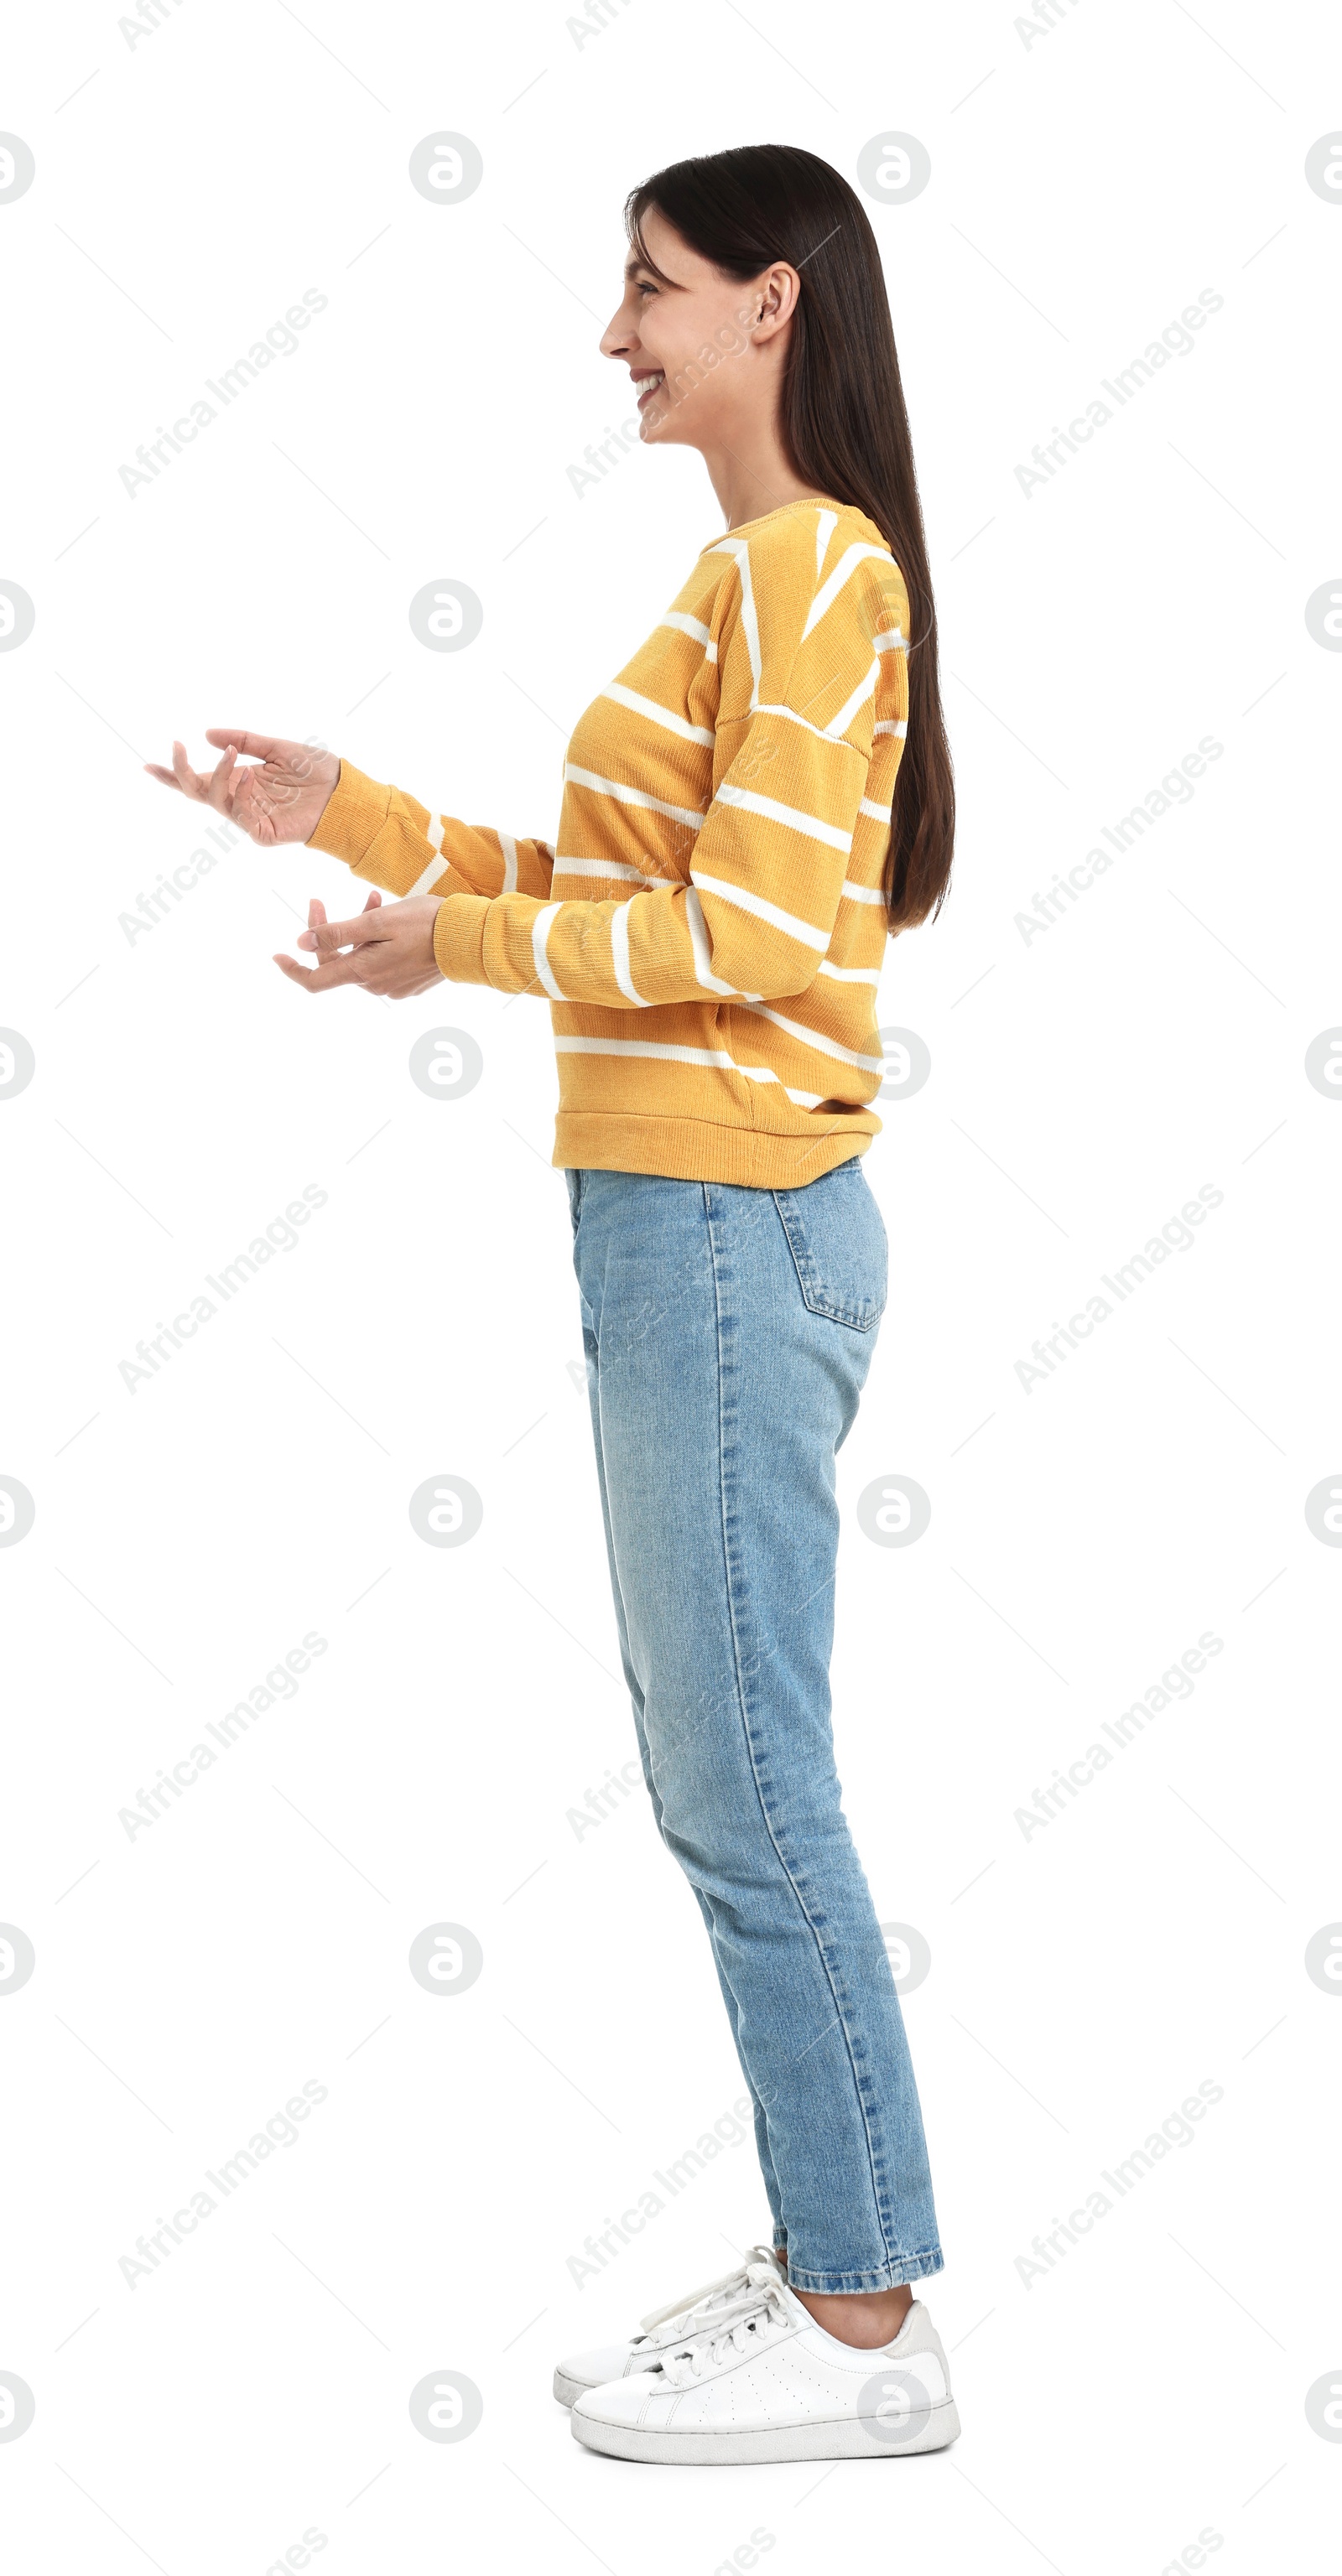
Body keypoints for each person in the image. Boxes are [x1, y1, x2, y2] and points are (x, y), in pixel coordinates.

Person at [146, 143, 959, 2468]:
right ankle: (841, 2258)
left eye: (652, 289)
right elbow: (638, 890)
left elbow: (757, 947)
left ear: (775, 308)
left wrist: (459, 942)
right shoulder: (762, 588)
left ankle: (865, 2314)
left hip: (719, 1229)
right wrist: (361, 823)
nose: (617, 333)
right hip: (676, 1224)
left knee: (746, 1787)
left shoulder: (814, 575)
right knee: (731, 1776)